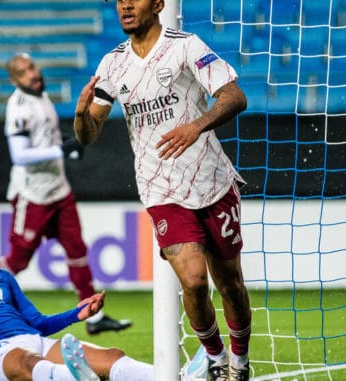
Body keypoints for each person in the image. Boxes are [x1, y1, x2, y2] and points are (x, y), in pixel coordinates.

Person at [73, 0, 252, 379]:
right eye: (120, 0)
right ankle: (217, 360)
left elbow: (235, 97)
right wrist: (79, 116)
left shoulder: (186, 46)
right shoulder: (112, 64)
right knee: (193, 280)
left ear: (157, 5)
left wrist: (196, 125)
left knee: (230, 285)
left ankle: (240, 361)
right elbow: (89, 135)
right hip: (160, 190)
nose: (124, 5)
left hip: (212, 183)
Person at [0, 198, 154, 381]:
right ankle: (72, 377)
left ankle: (179, 377)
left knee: (111, 357)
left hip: (34, 340)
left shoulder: (0, 276)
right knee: (26, 362)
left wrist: (76, 314)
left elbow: (37, 323)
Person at [0, 52, 132, 335]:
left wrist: (62, 150)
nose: (32, 73)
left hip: (59, 191)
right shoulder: (18, 107)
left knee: (77, 251)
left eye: (32, 66)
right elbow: (19, 155)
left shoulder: (41, 96)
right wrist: (61, 150)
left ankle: (94, 318)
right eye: (23, 72)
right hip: (33, 196)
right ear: (14, 80)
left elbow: (44, 138)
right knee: (17, 261)